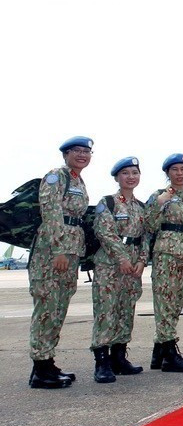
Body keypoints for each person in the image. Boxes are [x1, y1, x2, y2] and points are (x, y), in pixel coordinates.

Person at [28, 136, 93, 389]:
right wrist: (59, 249)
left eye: (87, 151)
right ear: (65, 154)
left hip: (70, 251)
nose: (83, 155)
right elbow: (52, 211)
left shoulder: (77, 179)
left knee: (58, 307)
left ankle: (47, 362)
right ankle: (40, 368)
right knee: (46, 308)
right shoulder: (57, 176)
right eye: (77, 150)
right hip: (54, 253)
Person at [89, 156, 148, 383]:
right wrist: (122, 258)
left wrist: (142, 260)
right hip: (110, 264)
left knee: (126, 309)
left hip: (133, 266)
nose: (131, 177)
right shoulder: (109, 202)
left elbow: (145, 236)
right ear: (117, 177)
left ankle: (119, 357)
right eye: (125, 173)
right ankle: (101, 362)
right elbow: (105, 233)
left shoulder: (140, 207)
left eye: (134, 173)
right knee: (106, 310)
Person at [145, 153, 183, 373]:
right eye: (175, 169)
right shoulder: (158, 196)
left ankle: (159, 351)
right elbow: (149, 225)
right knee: (165, 302)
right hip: (166, 254)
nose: (180, 173)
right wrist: (159, 204)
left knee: (177, 302)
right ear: (167, 173)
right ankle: (169, 353)